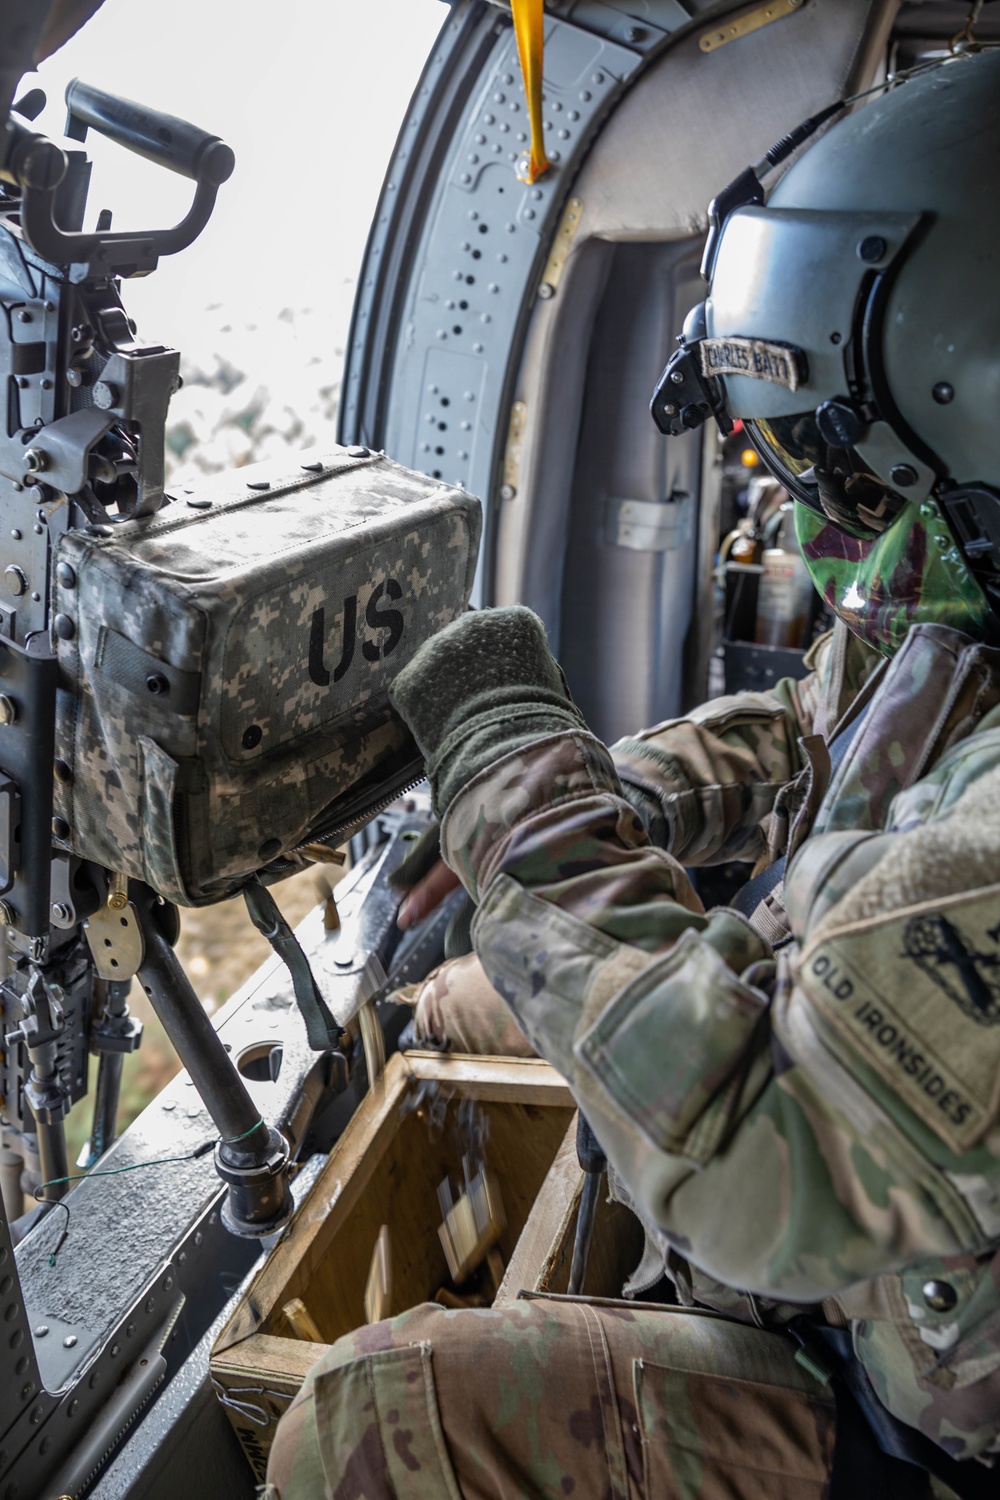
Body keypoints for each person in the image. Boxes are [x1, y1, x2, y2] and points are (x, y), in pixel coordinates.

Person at [266, 48, 1000, 1499]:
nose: (819, 532)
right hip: (885, 1210)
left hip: (924, 1415)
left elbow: (754, 1160)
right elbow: (815, 735)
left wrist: (508, 770)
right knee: (456, 995)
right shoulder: (968, 589)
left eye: (847, 482)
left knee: (372, 1426)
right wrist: (605, 796)